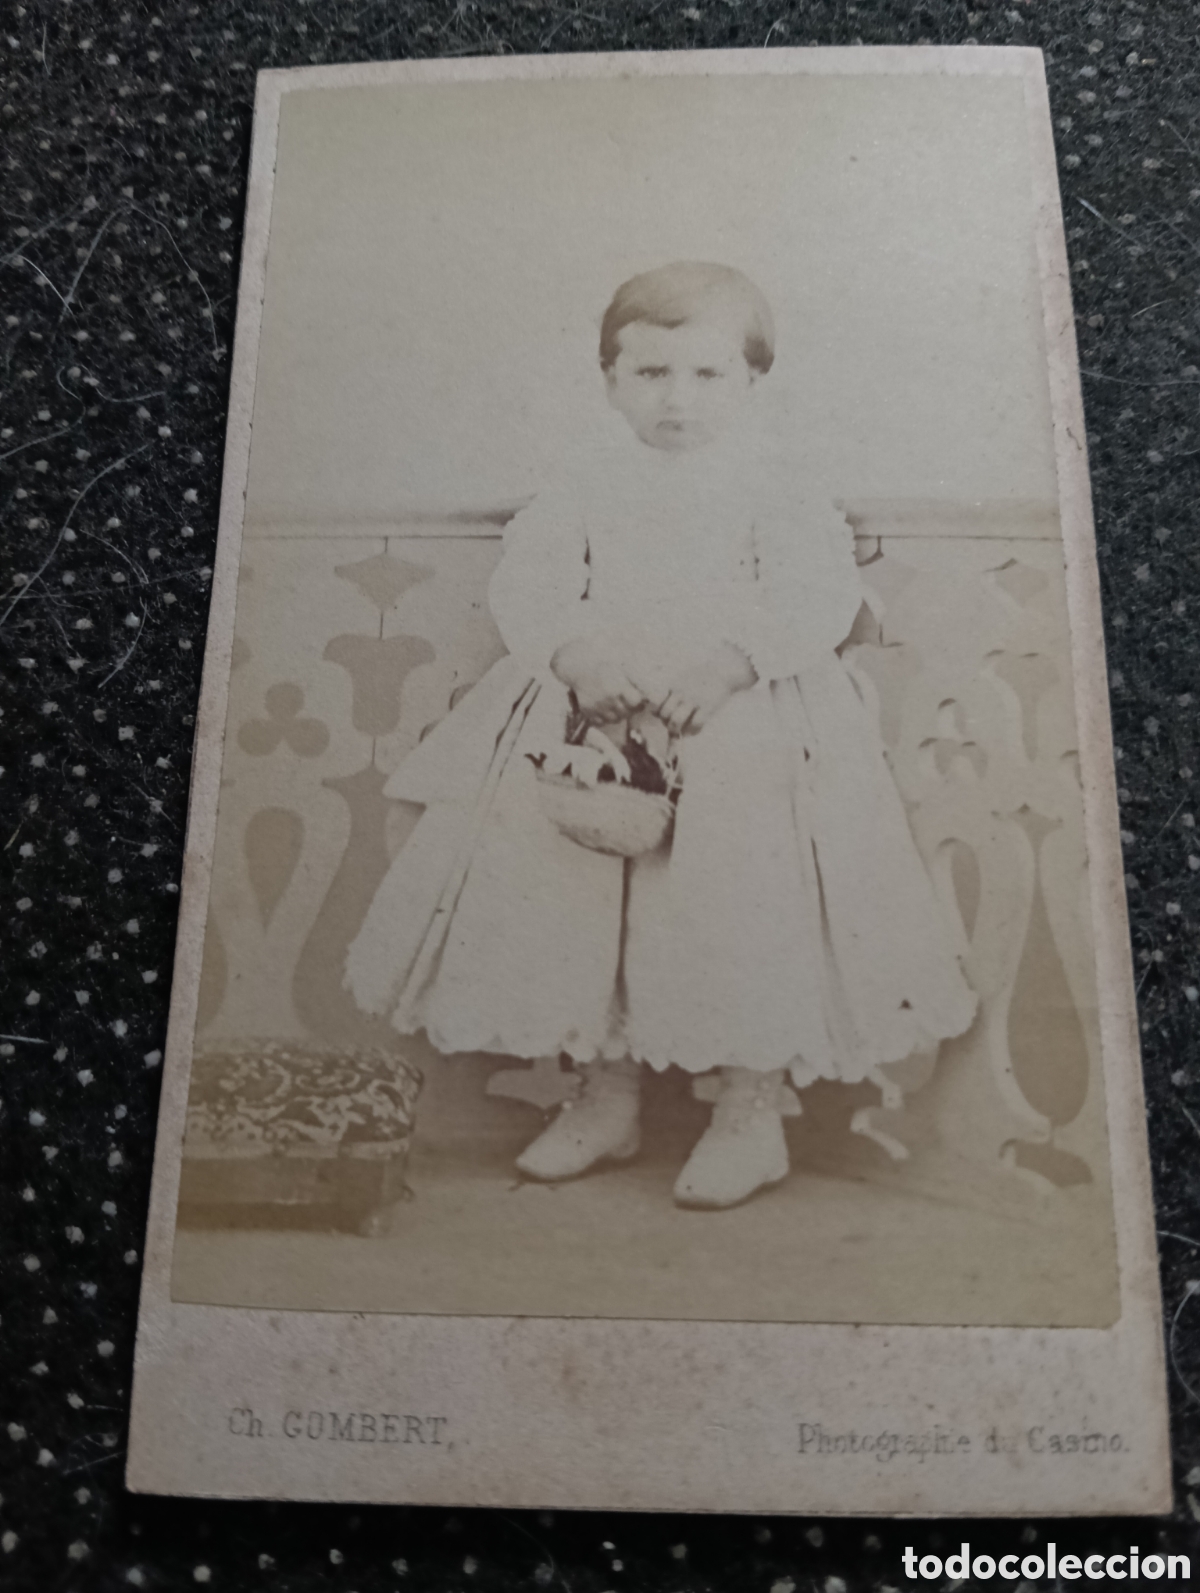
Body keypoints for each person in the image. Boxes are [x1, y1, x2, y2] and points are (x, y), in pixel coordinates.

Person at [345, 261, 976, 1209]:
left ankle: (750, 1111)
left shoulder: (776, 479)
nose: (677, 399)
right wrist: (577, 653)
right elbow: (533, 578)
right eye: (650, 375)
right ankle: (605, 1096)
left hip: (742, 724)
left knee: (736, 906)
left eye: (707, 376)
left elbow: (815, 588)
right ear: (609, 379)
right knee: (582, 906)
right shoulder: (585, 475)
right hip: (597, 722)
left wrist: (734, 659)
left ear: (752, 383)